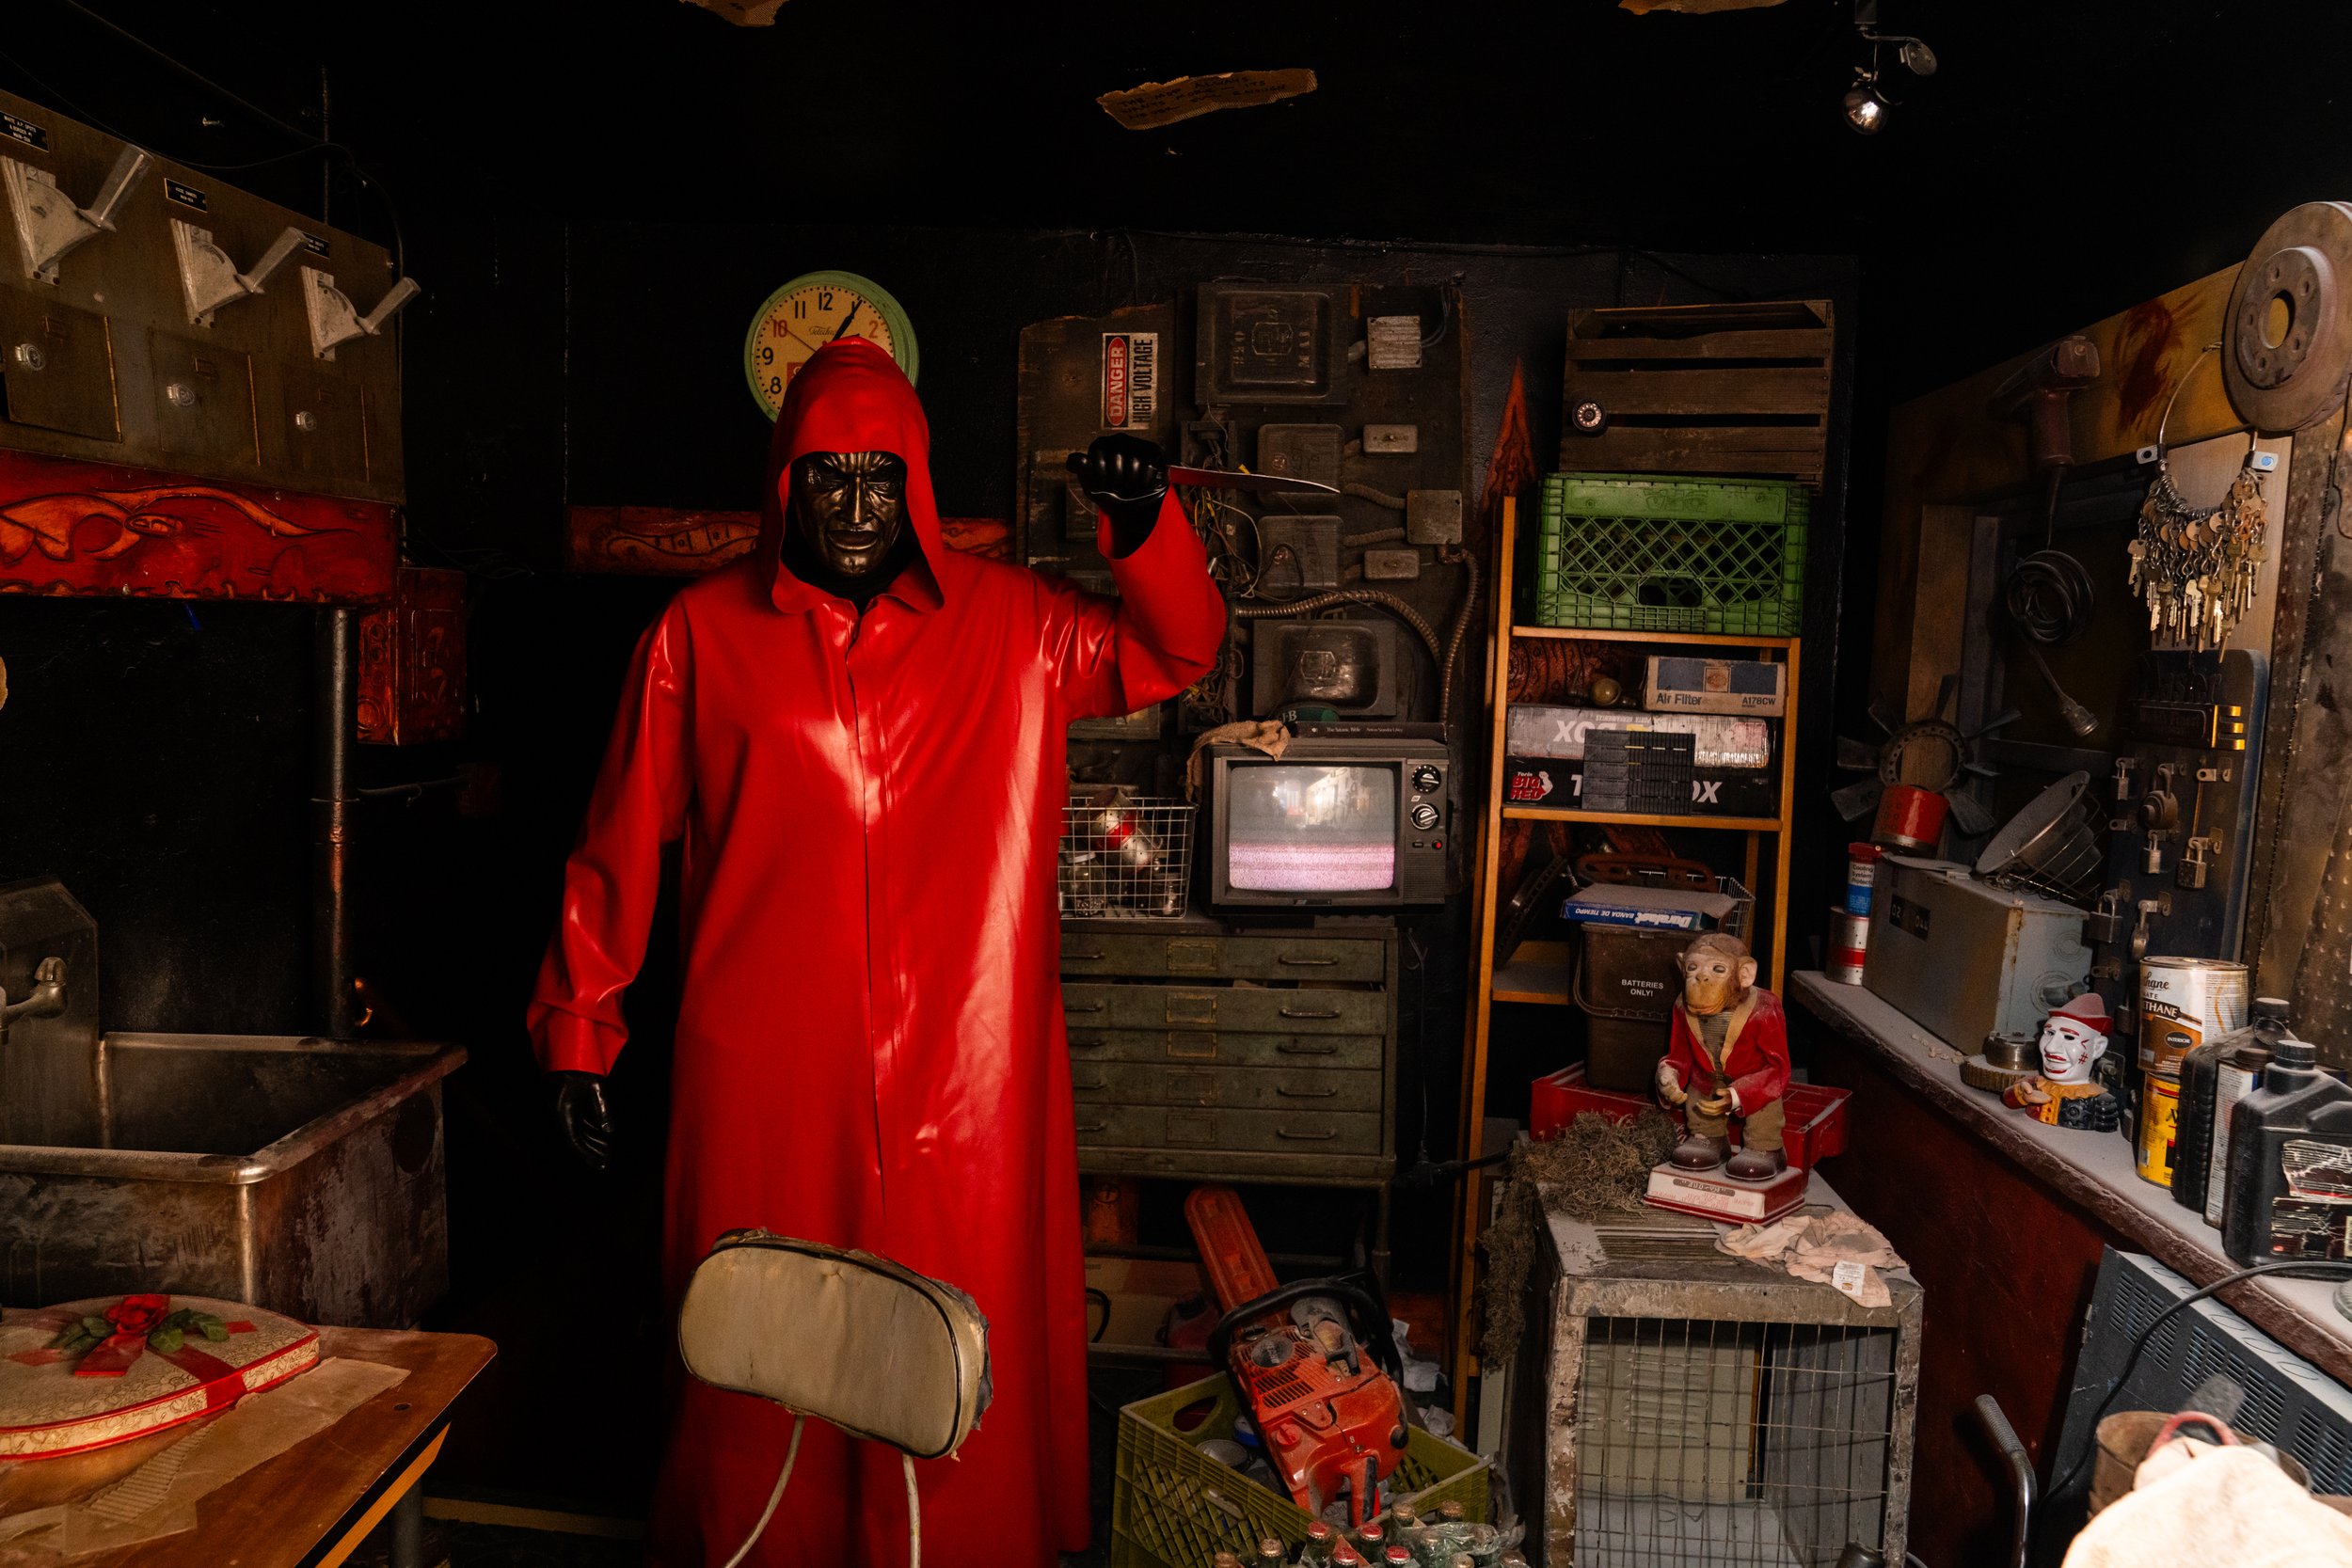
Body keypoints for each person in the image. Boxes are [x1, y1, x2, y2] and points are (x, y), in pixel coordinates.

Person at [527, 337, 1226, 1566]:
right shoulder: (699, 636)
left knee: (954, 1327)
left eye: (878, 476)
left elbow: (1175, 653)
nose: (852, 505)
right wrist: (582, 1025)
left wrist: (1144, 518)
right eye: (824, 474)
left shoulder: (1015, 628)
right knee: (760, 1323)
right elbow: (618, 841)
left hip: (970, 1068)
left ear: (915, 484)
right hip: (764, 1064)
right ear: (781, 484)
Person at [1654, 931, 1792, 1181]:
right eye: (1693, 968)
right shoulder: (1681, 1006)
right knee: (1699, 1092)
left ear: (1744, 974)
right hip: (1708, 1079)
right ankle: (1708, 1138)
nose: (1701, 978)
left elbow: (1778, 1068)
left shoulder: (1763, 1008)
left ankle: (1766, 1147)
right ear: (1681, 967)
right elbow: (1680, 1053)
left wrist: (1740, 1094)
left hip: (1754, 1080)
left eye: (1718, 969)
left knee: (1766, 1104)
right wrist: (1668, 1074)